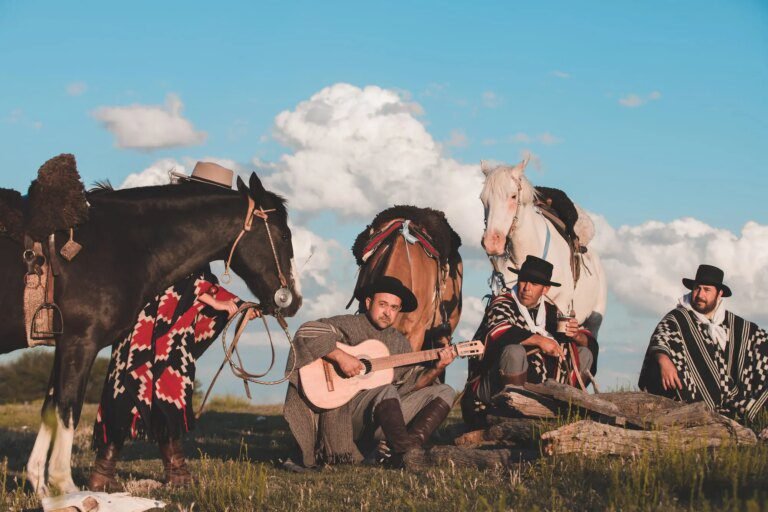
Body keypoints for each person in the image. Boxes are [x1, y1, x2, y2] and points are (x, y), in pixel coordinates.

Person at [88, 162, 259, 491]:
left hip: (174, 327)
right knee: (128, 390)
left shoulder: (199, 234)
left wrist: (235, 305)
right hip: (143, 319)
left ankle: (168, 469)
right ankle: (108, 471)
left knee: (169, 390)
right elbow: (160, 272)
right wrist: (213, 299)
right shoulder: (167, 222)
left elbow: (201, 280)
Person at [283, 276, 456, 469]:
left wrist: (438, 367)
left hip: (380, 418)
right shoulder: (348, 324)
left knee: (445, 391)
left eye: (394, 308)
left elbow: (410, 383)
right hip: (343, 414)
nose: (387, 312)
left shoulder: (399, 342)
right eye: (383, 304)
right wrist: (340, 356)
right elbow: (308, 332)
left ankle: (407, 452)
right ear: (368, 302)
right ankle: (404, 453)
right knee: (386, 390)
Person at [462, 255, 598, 427]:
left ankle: (565, 411)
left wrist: (576, 335)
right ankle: (511, 417)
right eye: (523, 281)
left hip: (538, 386)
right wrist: (540, 341)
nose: (526, 288)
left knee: (584, 353)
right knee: (514, 351)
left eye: (534, 284)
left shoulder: (550, 312)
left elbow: (584, 339)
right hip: (491, 389)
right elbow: (499, 330)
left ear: (545, 289)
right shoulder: (502, 303)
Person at [638, 264, 768, 422]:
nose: (700, 295)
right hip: (693, 397)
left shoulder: (734, 324)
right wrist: (664, 360)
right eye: (697, 288)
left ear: (719, 294)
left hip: (732, 396)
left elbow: (759, 340)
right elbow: (661, 336)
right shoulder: (679, 317)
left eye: (707, 290)